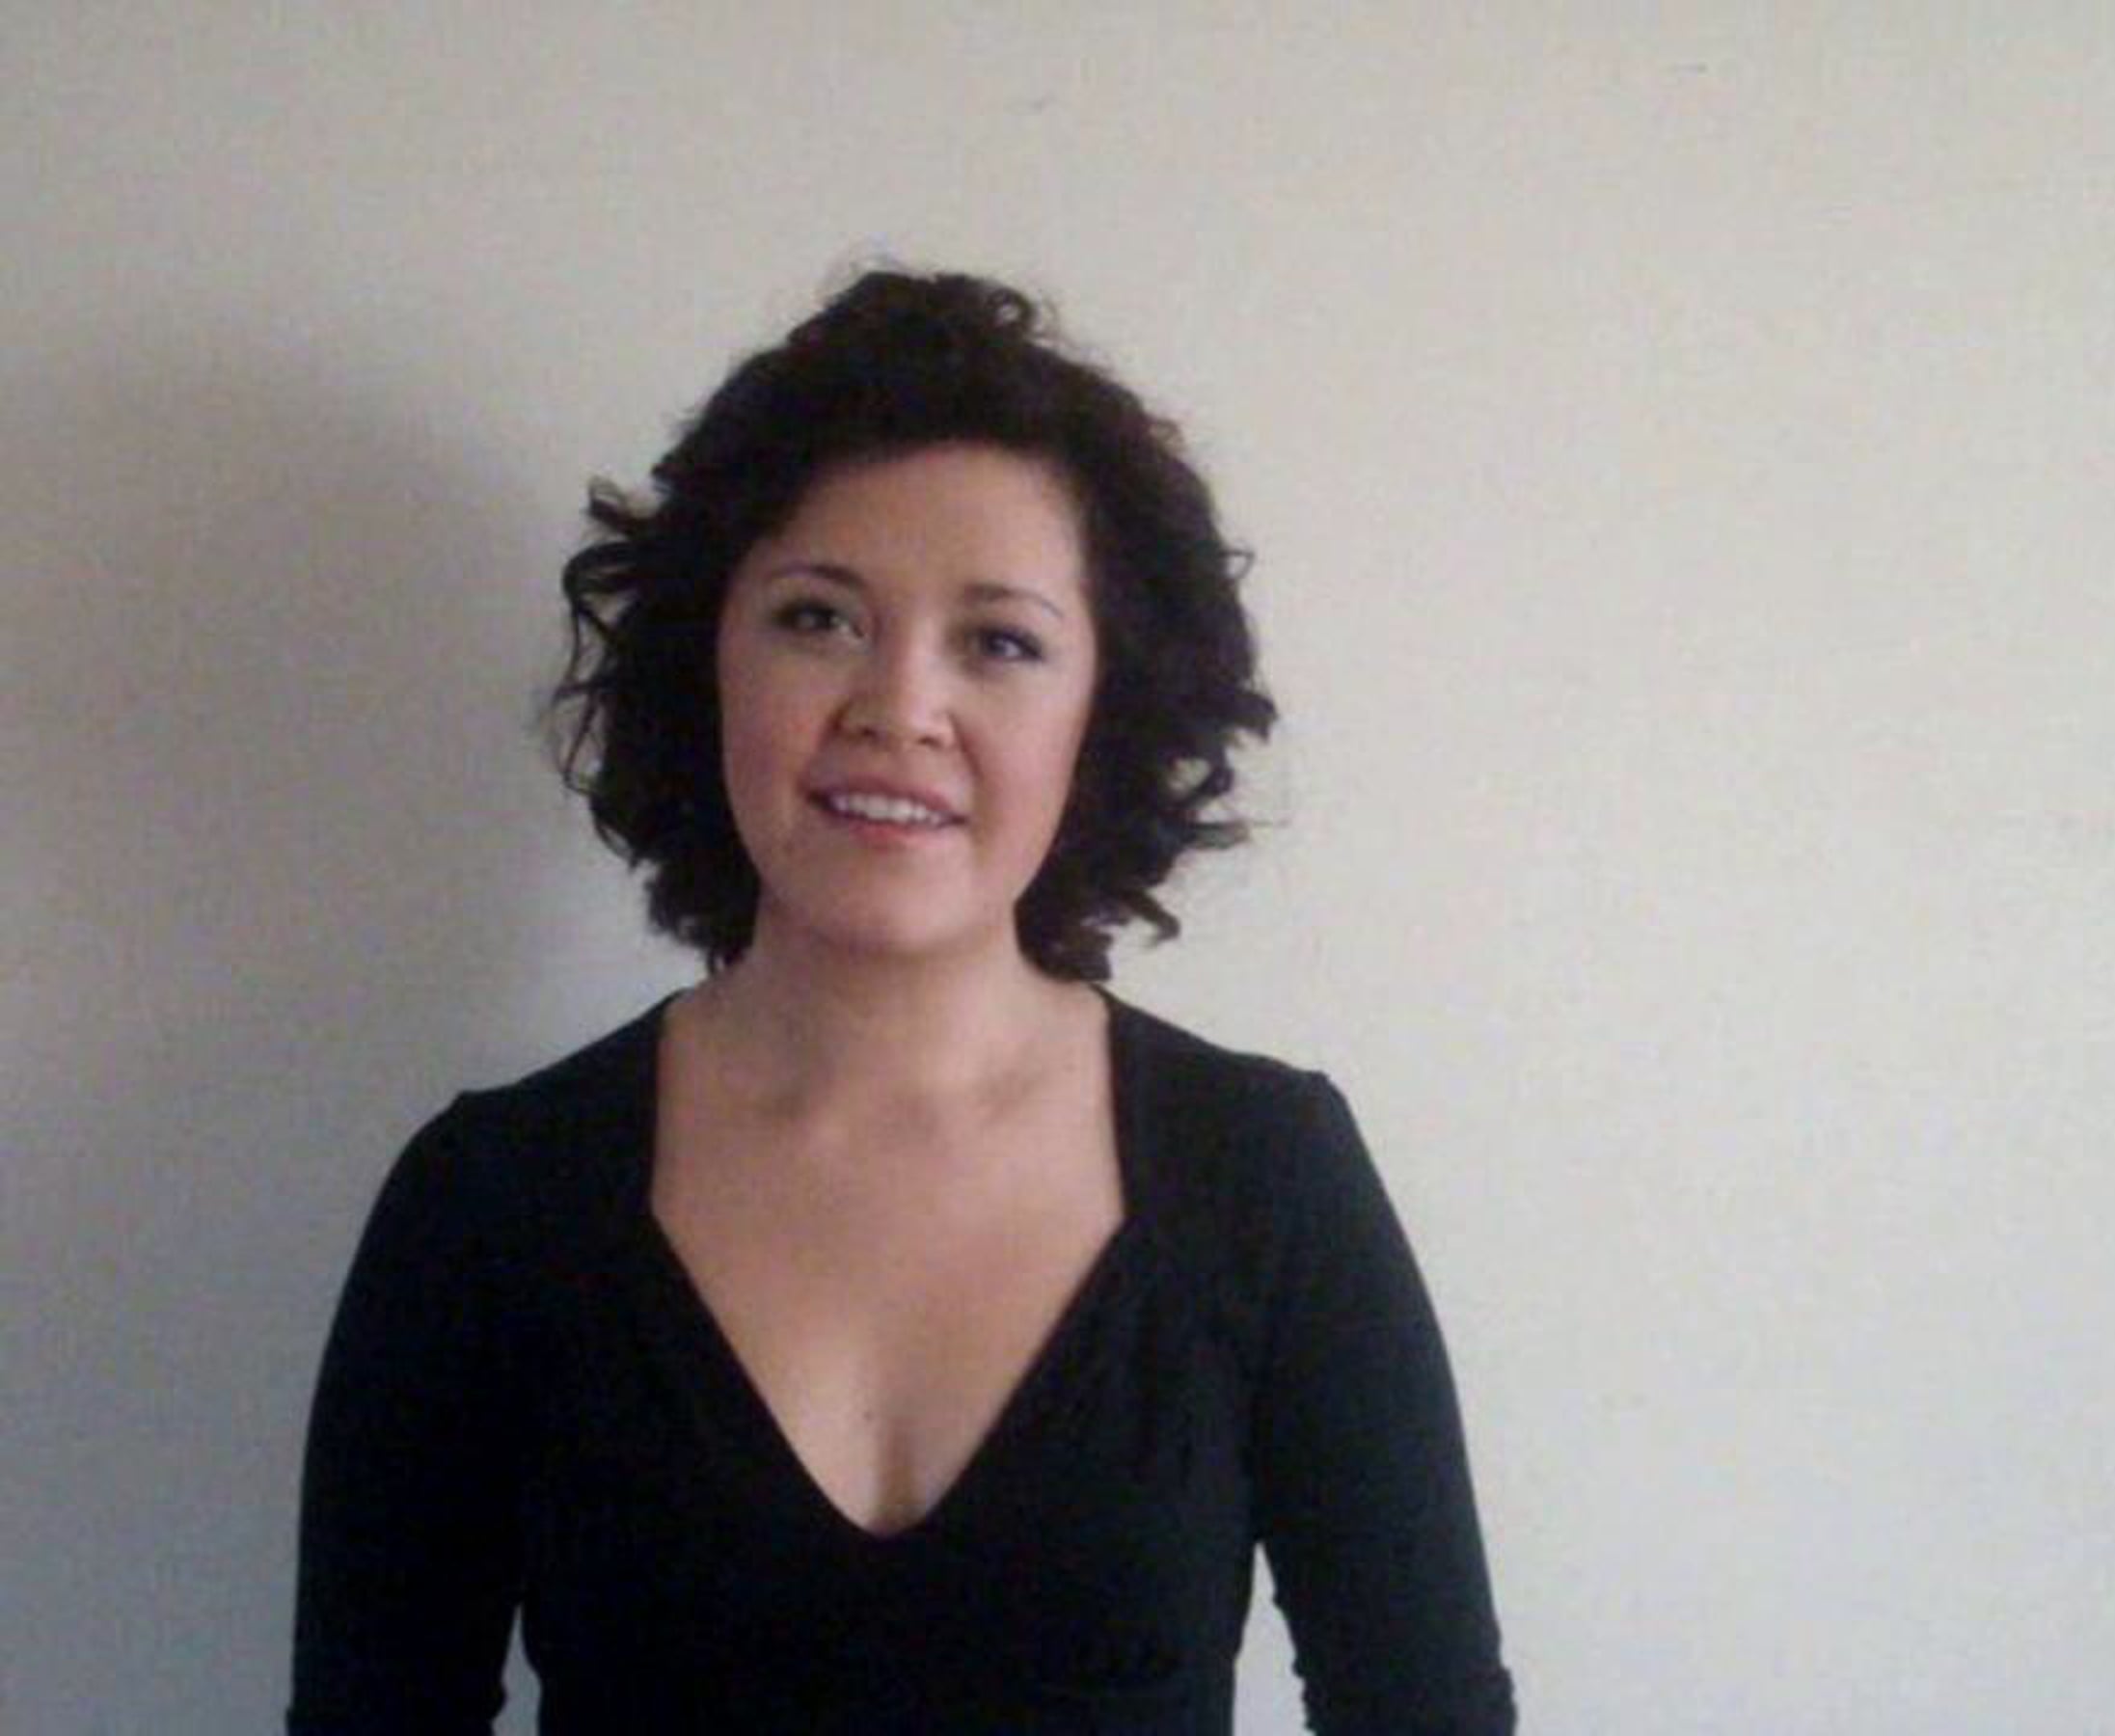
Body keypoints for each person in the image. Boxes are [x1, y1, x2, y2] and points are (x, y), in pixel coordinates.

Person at [287, 268, 1515, 1733]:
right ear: (705, 662)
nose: (897, 707)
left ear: (1104, 710)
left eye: (998, 641)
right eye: (819, 617)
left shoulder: (1268, 1180)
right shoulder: (488, 1202)